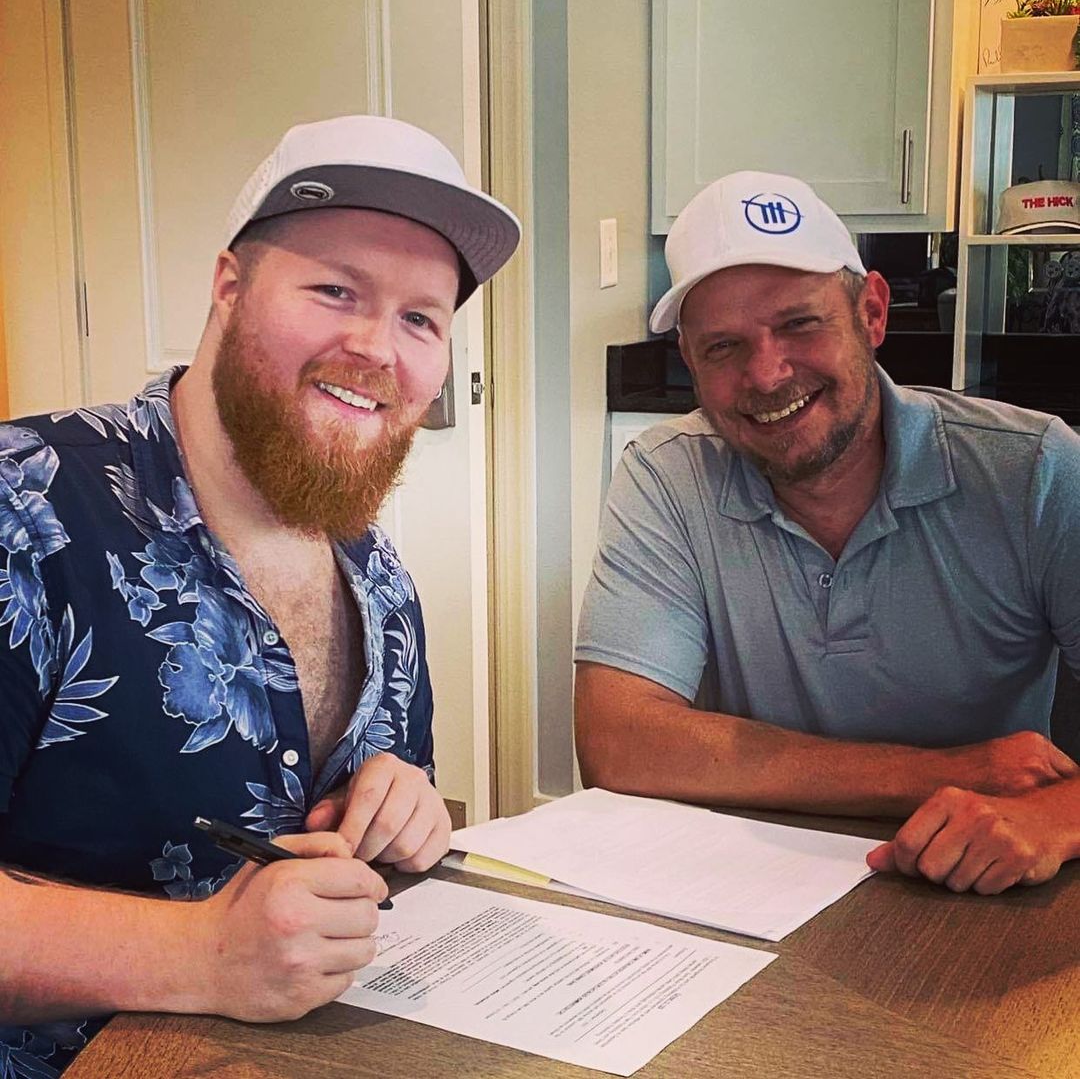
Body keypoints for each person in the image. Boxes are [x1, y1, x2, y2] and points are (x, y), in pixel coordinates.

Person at [0, 115, 520, 1074]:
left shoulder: (380, 576)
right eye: (335, 290)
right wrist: (203, 954)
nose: (377, 348)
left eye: (421, 318)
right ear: (229, 288)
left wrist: (409, 812)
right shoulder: (23, 509)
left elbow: (375, 850)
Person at [575, 171, 1080, 899]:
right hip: (747, 895)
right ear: (689, 360)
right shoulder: (667, 476)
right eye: (723, 346)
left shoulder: (1033, 471)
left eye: (799, 325)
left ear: (872, 313)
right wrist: (944, 774)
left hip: (981, 896)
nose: (766, 374)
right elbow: (618, 742)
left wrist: (1057, 815)